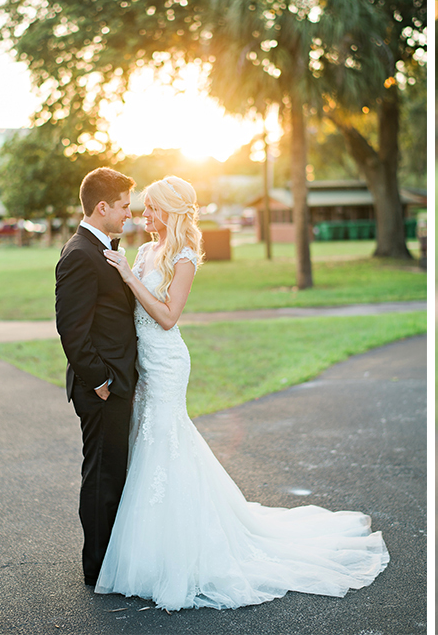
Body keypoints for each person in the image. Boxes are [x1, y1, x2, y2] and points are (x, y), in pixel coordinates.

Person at [95, 176, 389, 610]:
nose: (145, 214)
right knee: (147, 440)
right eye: (145, 207)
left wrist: (128, 278)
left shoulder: (185, 255)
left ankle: (179, 554)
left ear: (172, 211)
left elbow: (168, 316)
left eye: (153, 208)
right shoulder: (143, 251)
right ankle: (151, 547)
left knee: (166, 440)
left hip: (168, 361)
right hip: (143, 363)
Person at [55, 167, 138, 587]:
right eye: (124, 206)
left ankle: (110, 560)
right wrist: (101, 381)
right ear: (102, 206)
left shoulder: (101, 247)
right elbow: (72, 329)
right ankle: (99, 567)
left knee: (114, 472)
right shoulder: (79, 254)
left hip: (116, 385)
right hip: (103, 389)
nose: (130, 213)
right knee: (103, 476)